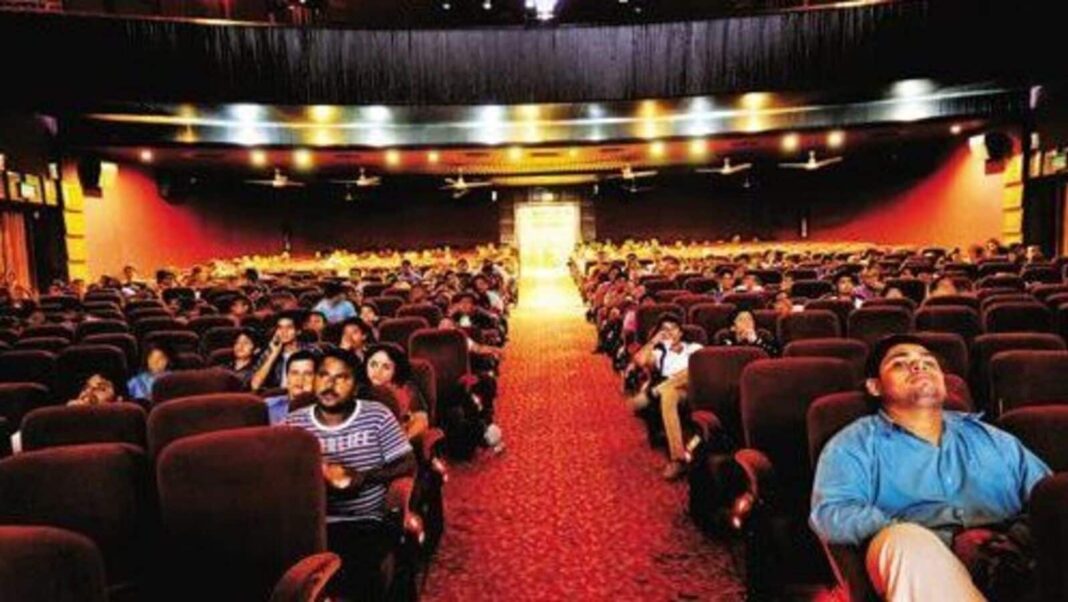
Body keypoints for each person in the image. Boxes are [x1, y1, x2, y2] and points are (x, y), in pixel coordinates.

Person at [810, 335, 1051, 602]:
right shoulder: (853, 443)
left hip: (1007, 558)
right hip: (914, 557)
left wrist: (1008, 541)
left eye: (928, 362)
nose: (919, 366)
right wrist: (933, 539)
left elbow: (1048, 499)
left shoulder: (994, 439)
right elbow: (830, 513)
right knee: (905, 542)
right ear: (874, 386)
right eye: (900, 363)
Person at [285, 350, 416, 600]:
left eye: (341, 378)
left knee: (360, 575)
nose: (330, 384)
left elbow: (407, 463)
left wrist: (364, 477)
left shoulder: (376, 415)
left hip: (365, 521)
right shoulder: (294, 424)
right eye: (323, 375)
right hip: (312, 526)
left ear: (356, 387)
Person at [631, 314, 703, 480]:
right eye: (665, 330)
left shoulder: (695, 348)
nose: (670, 333)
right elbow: (640, 361)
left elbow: (707, 369)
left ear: (681, 332)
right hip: (679, 392)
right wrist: (654, 341)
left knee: (692, 369)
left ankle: (656, 391)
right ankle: (677, 458)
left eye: (673, 329)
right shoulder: (660, 352)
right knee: (669, 394)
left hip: (699, 386)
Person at [364, 344, 429, 441]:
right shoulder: (356, 388)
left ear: (395, 370)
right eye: (373, 364)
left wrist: (401, 441)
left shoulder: (407, 389)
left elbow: (422, 420)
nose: (377, 371)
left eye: (386, 367)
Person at [250, 315, 309, 391]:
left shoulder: (310, 351)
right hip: (277, 396)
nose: (284, 331)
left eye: (289, 327)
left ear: (298, 331)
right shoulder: (269, 352)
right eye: (280, 328)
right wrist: (274, 354)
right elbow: (255, 385)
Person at [261, 350, 317, 425]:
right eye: (295, 373)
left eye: (307, 374)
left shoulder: (324, 412)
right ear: (287, 378)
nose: (300, 379)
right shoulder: (267, 406)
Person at [715, 309, 780, 357]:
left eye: (750, 319)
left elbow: (774, 354)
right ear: (733, 327)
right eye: (741, 320)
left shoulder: (764, 335)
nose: (747, 322)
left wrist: (756, 341)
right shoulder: (724, 337)